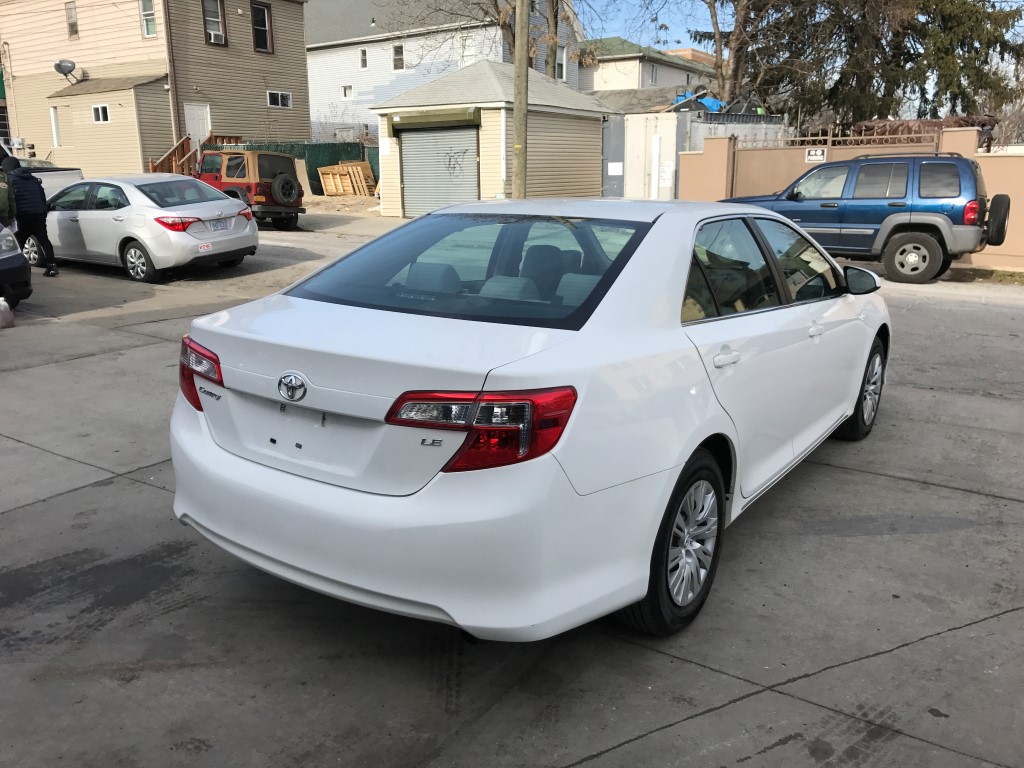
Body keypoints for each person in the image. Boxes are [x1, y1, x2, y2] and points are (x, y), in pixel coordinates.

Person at [1, 156, 58, 276]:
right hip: (38, 214)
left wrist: (11, 216)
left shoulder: (9, 179)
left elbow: (10, 199)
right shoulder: (32, 179)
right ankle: (52, 267)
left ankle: (16, 269)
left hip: (22, 215)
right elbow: (42, 196)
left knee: (17, 242)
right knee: (44, 240)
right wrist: (43, 212)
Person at [0, 160, 14, 229]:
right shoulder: (4, 176)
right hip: (4, 217)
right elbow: (11, 198)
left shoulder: (4, 177)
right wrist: (11, 216)